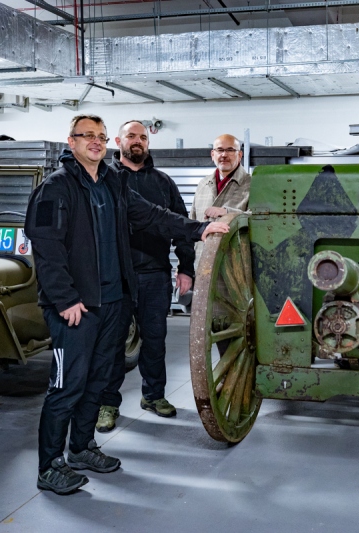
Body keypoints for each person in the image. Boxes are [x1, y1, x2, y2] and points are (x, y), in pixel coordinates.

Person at [25, 114, 228, 496]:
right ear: (71, 142)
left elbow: (152, 216)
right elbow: (45, 247)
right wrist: (65, 298)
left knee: (98, 381)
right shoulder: (57, 188)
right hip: (76, 308)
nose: (96, 142)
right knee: (67, 386)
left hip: (114, 301)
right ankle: (49, 465)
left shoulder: (114, 182)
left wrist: (198, 229)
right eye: (88, 136)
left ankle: (82, 448)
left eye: (101, 137)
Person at [96, 120, 196, 432]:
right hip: (117, 276)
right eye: (131, 136)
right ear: (118, 140)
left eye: (142, 137)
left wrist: (186, 268)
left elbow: (181, 226)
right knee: (112, 343)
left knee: (155, 339)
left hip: (155, 274)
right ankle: (108, 404)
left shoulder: (163, 182)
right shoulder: (105, 180)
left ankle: (153, 396)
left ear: (147, 143)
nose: (137, 141)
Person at [190, 134, 251, 267]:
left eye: (230, 150)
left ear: (240, 155)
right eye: (219, 150)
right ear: (213, 154)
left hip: (234, 269)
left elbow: (262, 220)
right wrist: (183, 268)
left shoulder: (252, 184)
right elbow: (190, 228)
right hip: (200, 265)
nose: (224, 154)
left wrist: (227, 212)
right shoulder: (203, 185)